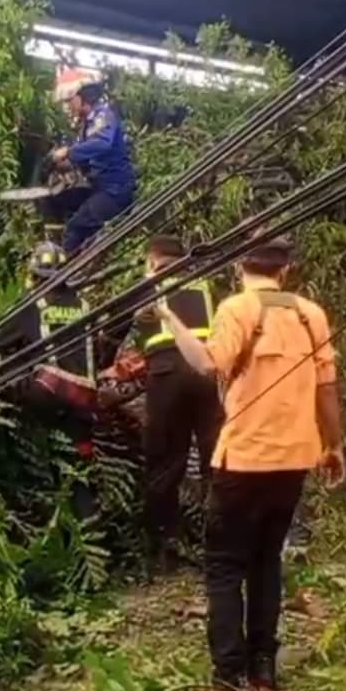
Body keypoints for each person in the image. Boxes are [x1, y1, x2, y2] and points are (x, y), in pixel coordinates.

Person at [159, 238, 345, 691]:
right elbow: (327, 388)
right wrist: (334, 445)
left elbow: (206, 364)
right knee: (266, 563)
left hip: (242, 461)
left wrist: (170, 320)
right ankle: (264, 671)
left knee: (223, 566)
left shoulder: (237, 308)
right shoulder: (311, 314)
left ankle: (229, 676)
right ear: (286, 270)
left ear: (240, 267)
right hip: (294, 460)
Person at [0, 242, 114, 521]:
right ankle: (88, 524)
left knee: (17, 428)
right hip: (84, 398)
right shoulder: (85, 305)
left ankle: (32, 506)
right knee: (77, 463)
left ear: (35, 276)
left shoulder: (33, 303)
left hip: (47, 392)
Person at [130, 236, 222, 573]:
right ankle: (219, 544)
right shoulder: (205, 285)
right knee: (216, 461)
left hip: (167, 373)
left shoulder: (148, 285)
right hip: (206, 374)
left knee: (165, 462)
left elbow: (125, 327)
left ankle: (161, 549)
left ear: (153, 259)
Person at [44, 81, 137, 255]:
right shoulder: (86, 125)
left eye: (70, 100)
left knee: (76, 228)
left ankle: (65, 274)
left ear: (82, 98)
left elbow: (102, 144)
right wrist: (63, 164)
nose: (68, 106)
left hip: (114, 190)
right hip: (98, 186)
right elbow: (85, 158)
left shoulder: (103, 115)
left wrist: (69, 152)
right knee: (57, 200)